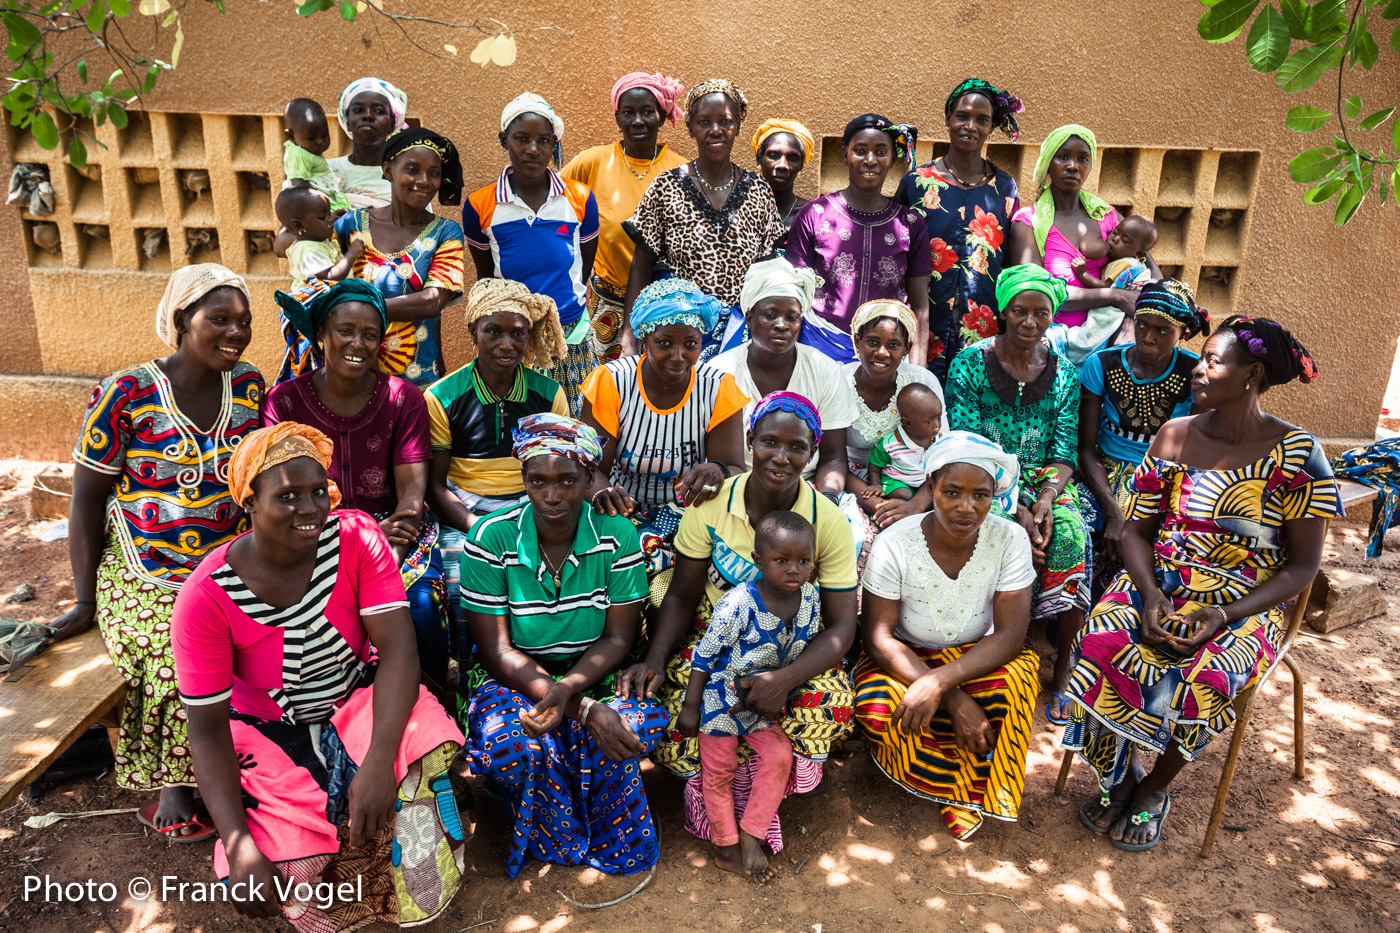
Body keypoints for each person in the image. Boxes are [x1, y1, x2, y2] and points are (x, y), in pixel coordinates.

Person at [173, 423, 466, 929]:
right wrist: (239, 842)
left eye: (316, 492)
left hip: (358, 703)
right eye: (286, 496)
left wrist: (377, 762)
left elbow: (398, 652)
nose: (309, 509)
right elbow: (207, 728)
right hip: (269, 733)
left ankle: (406, 895)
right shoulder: (207, 597)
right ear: (249, 502)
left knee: (414, 767)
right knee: (287, 864)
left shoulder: (355, 537)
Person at [1065, 317, 1338, 851]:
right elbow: (1137, 534)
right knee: (1098, 641)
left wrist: (1224, 615)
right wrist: (1149, 595)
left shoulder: (1300, 455)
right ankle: (1119, 775)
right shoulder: (1175, 436)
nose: (1198, 369)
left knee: (1208, 675)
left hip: (1245, 601)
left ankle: (1154, 787)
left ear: (1253, 374)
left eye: (1214, 360)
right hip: (1161, 581)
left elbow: (1302, 569)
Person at [58, 264, 262, 841]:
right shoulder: (126, 392)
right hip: (143, 567)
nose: (234, 332)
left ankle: (248, 764)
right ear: (180, 321)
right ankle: (179, 781)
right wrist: (83, 599)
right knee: (176, 647)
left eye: (243, 322)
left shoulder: (249, 386)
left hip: (226, 559)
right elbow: (85, 501)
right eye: (218, 319)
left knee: (274, 636)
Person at [617, 392, 858, 855]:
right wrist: (655, 656)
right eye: (769, 441)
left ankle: (749, 801)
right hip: (719, 635)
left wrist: (784, 679)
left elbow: (841, 628)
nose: (781, 457)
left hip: (796, 642)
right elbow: (684, 595)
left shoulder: (826, 521)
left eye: (797, 447)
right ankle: (730, 793)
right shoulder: (711, 505)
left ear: (812, 452)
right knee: (675, 717)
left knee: (830, 705)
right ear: (749, 440)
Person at [458, 414, 669, 877]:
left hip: (595, 670)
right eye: (538, 481)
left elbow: (618, 637)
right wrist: (584, 710)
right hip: (512, 677)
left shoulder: (618, 535)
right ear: (524, 479)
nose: (552, 496)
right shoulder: (490, 539)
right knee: (509, 742)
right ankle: (558, 833)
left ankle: (603, 831)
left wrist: (571, 690)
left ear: (590, 477)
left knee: (638, 722)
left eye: (567, 481)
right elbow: (497, 652)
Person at [854, 432, 1039, 839]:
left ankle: (965, 792)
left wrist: (942, 682)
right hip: (907, 657)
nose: (966, 508)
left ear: (995, 496)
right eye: (952, 492)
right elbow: (879, 638)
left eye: (981, 496)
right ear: (932, 486)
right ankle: (943, 780)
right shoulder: (894, 543)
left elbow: (1010, 635)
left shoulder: (1009, 539)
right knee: (880, 705)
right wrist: (950, 695)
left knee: (1016, 685)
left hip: (978, 655)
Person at [266, 278, 448, 687]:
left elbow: (412, 497)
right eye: (345, 331)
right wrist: (349, 542)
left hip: (395, 534)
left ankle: (434, 718)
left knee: (416, 606)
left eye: (370, 334)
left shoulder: (403, 398)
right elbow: (288, 497)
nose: (358, 343)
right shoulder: (285, 403)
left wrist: (384, 558)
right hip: (310, 535)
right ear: (321, 336)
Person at [944, 264, 1090, 724]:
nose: (1030, 322)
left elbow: (1064, 452)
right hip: (980, 478)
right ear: (1003, 311)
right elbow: (964, 443)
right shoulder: (969, 363)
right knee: (989, 527)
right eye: (1020, 311)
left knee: (1066, 536)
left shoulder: (1066, 375)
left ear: (1052, 317)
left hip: (1045, 485)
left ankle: (1062, 664)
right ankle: (990, 648)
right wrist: (1015, 507)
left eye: (1041, 313)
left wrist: (1043, 501)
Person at [678, 511, 820, 884]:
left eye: (803, 561)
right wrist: (691, 706)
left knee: (778, 756)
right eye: (781, 560)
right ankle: (725, 847)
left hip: (763, 705)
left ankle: (753, 834)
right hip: (720, 700)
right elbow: (706, 654)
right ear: (758, 561)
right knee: (719, 771)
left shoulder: (811, 600)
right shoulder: (737, 603)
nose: (794, 569)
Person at [579, 277, 750, 586]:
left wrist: (717, 470)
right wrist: (604, 494)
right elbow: (589, 469)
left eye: (691, 344)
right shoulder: (612, 382)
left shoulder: (718, 388)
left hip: (688, 517)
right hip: (618, 512)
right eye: (664, 343)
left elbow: (735, 469)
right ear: (645, 339)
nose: (678, 356)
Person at [423, 278, 569, 637]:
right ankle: (470, 673)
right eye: (494, 332)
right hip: (464, 512)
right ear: (474, 332)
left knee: (551, 579)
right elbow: (436, 488)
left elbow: (558, 475)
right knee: (461, 589)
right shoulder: (442, 397)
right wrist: (481, 528)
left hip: (532, 505)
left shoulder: (549, 395)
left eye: (517, 334)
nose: (507, 344)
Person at [624, 77, 785, 360]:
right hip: (678, 336)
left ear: (737, 126)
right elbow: (641, 265)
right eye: (703, 122)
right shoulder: (667, 186)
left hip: (740, 337)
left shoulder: (759, 190)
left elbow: (767, 273)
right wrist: (630, 334)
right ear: (690, 128)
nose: (715, 130)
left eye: (725, 121)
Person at [465, 93, 602, 414]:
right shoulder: (480, 205)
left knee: (576, 423)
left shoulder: (580, 198)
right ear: (503, 141)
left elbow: (584, 266)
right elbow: (488, 281)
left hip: (571, 335)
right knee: (518, 423)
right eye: (521, 139)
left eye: (543, 140)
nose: (533, 149)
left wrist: (560, 308)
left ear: (554, 143)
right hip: (511, 340)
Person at [1078, 280, 1207, 594]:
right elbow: (1084, 449)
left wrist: (1135, 515)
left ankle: (1141, 610)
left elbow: (1195, 450)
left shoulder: (1194, 374)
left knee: (1175, 537)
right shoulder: (1103, 365)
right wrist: (1114, 512)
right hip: (1104, 473)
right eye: (1142, 325)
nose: (1148, 338)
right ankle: (1073, 621)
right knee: (1076, 527)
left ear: (1183, 333)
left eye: (1163, 331)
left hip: (1166, 478)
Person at [896, 78, 1023, 378]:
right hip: (920, 330)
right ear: (948, 119)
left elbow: (1012, 264)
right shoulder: (916, 183)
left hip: (983, 332)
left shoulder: (1005, 189)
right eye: (962, 116)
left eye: (982, 120)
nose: (970, 126)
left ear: (992, 127)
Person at [562, 72, 690, 363]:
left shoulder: (682, 172)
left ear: (662, 116)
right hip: (603, 305)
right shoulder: (591, 163)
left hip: (665, 307)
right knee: (601, 391)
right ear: (617, 118)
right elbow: (552, 205)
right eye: (628, 113)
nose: (638, 121)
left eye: (647, 112)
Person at [787, 113, 931, 363]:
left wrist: (917, 371)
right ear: (845, 154)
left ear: (893, 157)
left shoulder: (910, 224)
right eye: (860, 150)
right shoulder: (814, 214)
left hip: (886, 358)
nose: (870, 160)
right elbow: (792, 295)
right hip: (818, 349)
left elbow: (919, 306)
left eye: (881, 151)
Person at [706, 258, 857, 497]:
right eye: (770, 315)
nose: (781, 325)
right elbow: (718, 461)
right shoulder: (720, 373)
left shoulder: (825, 371)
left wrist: (825, 502)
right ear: (749, 318)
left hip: (807, 490)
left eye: (791, 317)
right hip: (735, 491)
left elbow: (833, 457)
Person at [330, 128, 464, 391]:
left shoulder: (446, 232)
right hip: (350, 378)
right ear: (389, 170)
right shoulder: (352, 224)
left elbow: (433, 301)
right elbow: (315, 275)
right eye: (412, 169)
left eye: (434, 173)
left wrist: (356, 308)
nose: (424, 181)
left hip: (418, 382)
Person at [1007, 125, 1146, 336]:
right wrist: (1115, 295)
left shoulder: (1107, 216)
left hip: (1110, 339)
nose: (1073, 166)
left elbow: (1149, 270)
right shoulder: (1028, 223)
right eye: (1063, 157)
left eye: (1083, 159)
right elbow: (1036, 294)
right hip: (1052, 342)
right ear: (1048, 162)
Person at [842, 299, 948, 542]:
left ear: (908, 348)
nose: (882, 352)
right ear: (857, 341)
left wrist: (915, 507)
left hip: (921, 483)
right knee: (860, 540)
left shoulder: (921, 383)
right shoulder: (839, 382)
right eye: (872, 342)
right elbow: (833, 459)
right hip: (857, 484)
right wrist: (878, 505)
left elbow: (943, 454)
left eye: (893, 344)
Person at [1058, 214, 1162, 366]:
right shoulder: (1127, 262)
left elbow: (1105, 289)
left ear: (1138, 254)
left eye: (1124, 241)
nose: (1115, 239)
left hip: (1118, 312)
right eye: (1115, 232)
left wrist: (1083, 274)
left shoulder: (1125, 264)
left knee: (1090, 338)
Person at [329, 77, 410, 208]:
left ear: (392, 124)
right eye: (358, 110)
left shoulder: (407, 179)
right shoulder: (324, 170)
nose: (367, 115)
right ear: (347, 121)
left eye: (379, 111)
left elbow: (420, 226)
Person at [275, 188, 364, 290]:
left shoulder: (317, 241)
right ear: (298, 225)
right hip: (321, 303)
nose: (330, 219)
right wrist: (352, 254)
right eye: (322, 217)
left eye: (329, 213)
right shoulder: (308, 251)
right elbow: (330, 277)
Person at [867, 383, 944, 500]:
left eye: (938, 418)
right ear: (907, 423)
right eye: (929, 421)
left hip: (924, 482)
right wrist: (875, 484)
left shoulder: (939, 438)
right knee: (904, 495)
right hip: (898, 480)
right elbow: (874, 464)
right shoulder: (891, 443)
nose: (937, 425)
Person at [281, 97, 349, 212]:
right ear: (291, 136)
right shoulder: (298, 155)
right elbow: (300, 188)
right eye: (311, 138)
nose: (320, 141)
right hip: (317, 203)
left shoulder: (305, 150)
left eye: (324, 135)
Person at [751, 118, 815, 232]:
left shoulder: (812, 216)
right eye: (773, 155)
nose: (782, 165)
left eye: (792, 158)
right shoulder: (736, 210)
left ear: (801, 165)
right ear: (759, 159)